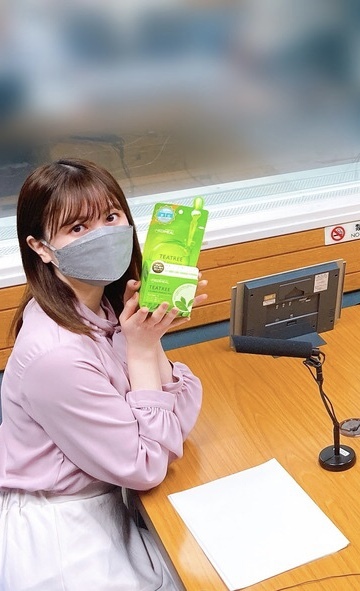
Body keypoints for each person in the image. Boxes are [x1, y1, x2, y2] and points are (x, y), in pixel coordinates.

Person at [0, 159, 206, 590]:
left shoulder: (103, 307)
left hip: (115, 501)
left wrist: (150, 335)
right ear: (41, 248)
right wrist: (142, 349)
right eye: (78, 227)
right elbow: (147, 464)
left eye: (111, 217)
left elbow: (180, 419)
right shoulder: (56, 355)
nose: (104, 235)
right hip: (66, 533)